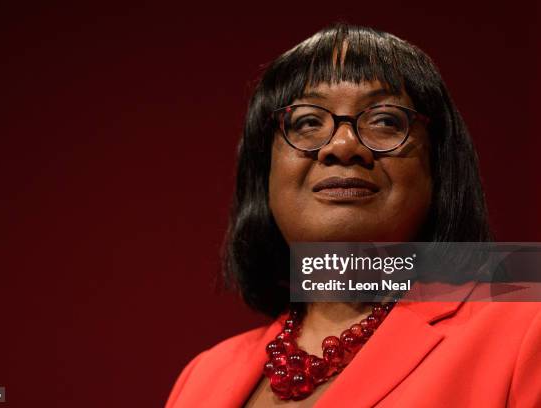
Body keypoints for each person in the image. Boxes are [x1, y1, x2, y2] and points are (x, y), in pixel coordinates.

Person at [165, 22, 541, 407]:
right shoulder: (202, 378)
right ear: (265, 173)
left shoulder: (527, 332)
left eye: (384, 121)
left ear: (440, 167)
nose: (343, 146)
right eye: (308, 122)